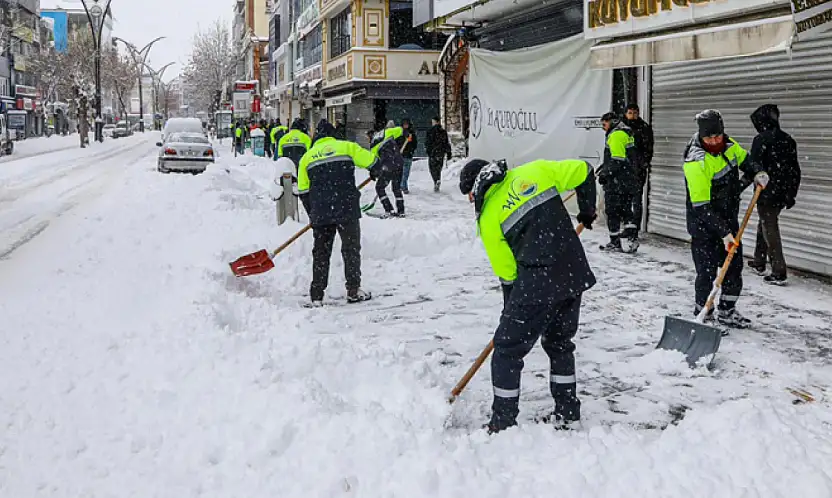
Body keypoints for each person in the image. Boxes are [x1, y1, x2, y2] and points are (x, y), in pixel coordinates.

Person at [458, 157, 597, 433]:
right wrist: (587, 210)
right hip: (572, 271)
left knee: (506, 351)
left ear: (475, 189)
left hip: (537, 283)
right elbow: (586, 171)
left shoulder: (488, 218)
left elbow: (509, 275)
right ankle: (568, 412)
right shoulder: (536, 170)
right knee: (559, 343)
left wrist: (510, 315)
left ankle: (502, 423)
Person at [683, 109, 768, 328]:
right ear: (701, 136)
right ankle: (704, 313)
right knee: (706, 271)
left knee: (733, 268)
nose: (714, 141)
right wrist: (723, 233)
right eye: (708, 137)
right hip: (703, 223)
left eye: (717, 136)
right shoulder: (696, 162)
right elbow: (701, 207)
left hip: (728, 216)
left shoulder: (730, 146)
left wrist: (757, 172)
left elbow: (746, 160)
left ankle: (727, 311)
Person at [298, 120, 383, 306]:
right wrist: (376, 171)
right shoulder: (347, 147)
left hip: (321, 212)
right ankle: (353, 290)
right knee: (351, 249)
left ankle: (317, 295)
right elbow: (373, 162)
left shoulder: (307, 157)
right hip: (347, 207)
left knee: (321, 253)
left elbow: (303, 192)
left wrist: (313, 213)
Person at [747, 104, 800, 285]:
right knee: (765, 223)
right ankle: (759, 262)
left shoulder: (761, 140)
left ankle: (779, 271)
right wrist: (791, 194)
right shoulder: (788, 140)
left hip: (766, 192)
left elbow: (752, 167)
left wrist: (737, 188)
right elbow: (795, 170)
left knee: (769, 228)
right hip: (782, 193)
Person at [598, 112, 638, 253]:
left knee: (612, 211)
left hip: (617, 181)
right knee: (626, 209)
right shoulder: (625, 132)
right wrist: (604, 166)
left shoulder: (615, 135)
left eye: (604, 124)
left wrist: (605, 174)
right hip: (628, 179)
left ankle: (615, 242)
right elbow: (625, 157)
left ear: (612, 122)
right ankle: (632, 239)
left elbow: (617, 160)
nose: (603, 127)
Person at [623, 103, 654, 238]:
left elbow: (648, 148)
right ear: (625, 113)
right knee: (624, 200)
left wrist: (642, 164)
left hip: (637, 170)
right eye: (630, 112)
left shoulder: (644, 128)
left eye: (635, 113)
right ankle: (626, 227)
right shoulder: (621, 127)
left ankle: (634, 229)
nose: (633, 115)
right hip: (623, 169)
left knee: (636, 200)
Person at [371, 124, 406, 217]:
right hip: (399, 164)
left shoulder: (373, 146)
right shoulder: (388, 132)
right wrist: (405, 131)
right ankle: (401, 211)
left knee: (379, 187)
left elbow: (374, 162)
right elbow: (400, 130)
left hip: (388, 167)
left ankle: (389, 210)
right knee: (396, 188)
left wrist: (373, 172)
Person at [426, 116, 452, 192]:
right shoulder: (443, 131)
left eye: (433, 121)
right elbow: (446, 143)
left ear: (435, 122)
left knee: (432, 168)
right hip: (441, 153)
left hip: (433, 153)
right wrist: (448, 152)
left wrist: (428, 151)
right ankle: (438, 180)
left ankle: (436, 180)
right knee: (438, 168)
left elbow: (427, 143)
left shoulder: (430, 131)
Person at [400, 119, 417, 194]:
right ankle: (404, 187)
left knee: (404, 173)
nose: (405, 125)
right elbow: (414, 144)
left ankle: (402, 185)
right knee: (404, 173)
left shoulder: (401, 133)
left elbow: (414, 144)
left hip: (406, 155)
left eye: (406, 124)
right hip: (404, 155)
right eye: (405, 124)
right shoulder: (410, 133)